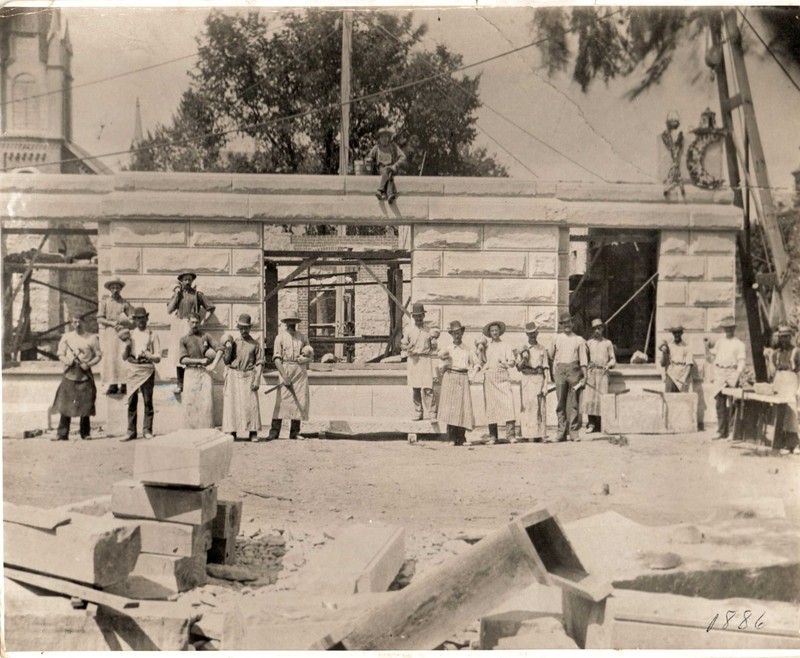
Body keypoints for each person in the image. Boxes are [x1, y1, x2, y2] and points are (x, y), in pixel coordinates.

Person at [51, 316, 102, 441]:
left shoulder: (92, 338)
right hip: (69, 373)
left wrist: (88, 364)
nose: (77, 324)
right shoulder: (67, 337)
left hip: (85, 373)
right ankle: (62, 433)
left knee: (86, 403)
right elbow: (60, 354)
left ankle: (85, 433)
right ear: (72, 323)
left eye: (79, 321)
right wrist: (67, 361)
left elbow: (99, 355)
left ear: (84, 322)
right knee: (65, 403)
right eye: (74, 322)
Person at [167, 272, 215, 394]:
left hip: (193, 325)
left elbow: (210, 308)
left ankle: (193, 383)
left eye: (189, 279)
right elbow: (169, 310)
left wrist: (204, 321)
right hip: (180, 324)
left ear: (192, 281)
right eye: (185, 280)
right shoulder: (178, 294)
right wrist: (177, 293)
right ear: (181, 281)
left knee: (193, 351)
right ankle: (180, 384)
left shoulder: (197, 294)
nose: (187, 282)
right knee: (179, 353)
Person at [268, 314, 312, 440]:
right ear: (285, 322)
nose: (291, 323)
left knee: (299, 401)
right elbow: (277, 359)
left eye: (293, 321)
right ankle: (274, 431)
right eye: (289, 321)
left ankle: (295, 432)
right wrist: (284, 376)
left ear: (296, 322)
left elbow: (310, 354)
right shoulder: (280, 337)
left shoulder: (302, 337)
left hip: (299, 371)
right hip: (285, 369)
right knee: (281, 401)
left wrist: (304, 358)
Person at [120, 307, 161, 442]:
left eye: (143, 318)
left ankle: (147, 430)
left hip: (147, 370)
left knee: (147, 401)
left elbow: (158, 357)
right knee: (132, 401)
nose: (140, 321)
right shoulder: (130, 334)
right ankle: (131, 431)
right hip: (132, 369)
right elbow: (124, 357)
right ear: (135, 320)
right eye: (138, 318)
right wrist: (127, 346)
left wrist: (151, 356)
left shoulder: (152, 335)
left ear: (147, 318)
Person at [222, 314, 264, 442]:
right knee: (232, 404)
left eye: (246, 328)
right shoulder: (233, 343)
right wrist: (228, 350)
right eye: (241, 328)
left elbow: (260, 362)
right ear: (238, 328)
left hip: (248, 375)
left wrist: (257, 379)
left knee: (251, 405)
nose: (243, 331)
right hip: (234, 374)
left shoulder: (255, 344)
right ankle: (233, 431)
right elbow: (226, 361)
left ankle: (253, 432)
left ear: (250, 328)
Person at [704, 316, 746, 440]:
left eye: (730, 328)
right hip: (720, 374)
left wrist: (737, 375)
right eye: (726, 328)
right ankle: (721, 431)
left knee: (733, 403)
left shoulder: (739, 344)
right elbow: (711, 358)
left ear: (734, 328)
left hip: (732, 373)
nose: (728, 330)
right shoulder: (720, 342)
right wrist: (706, 347)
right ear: (724, 329)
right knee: (720, 404)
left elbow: (741, 362)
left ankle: (733, 431)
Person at [437, 321, 478, 446]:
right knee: (451, 409)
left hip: (463, 377)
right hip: (450, 377)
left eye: (458, 333)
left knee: (463, 408)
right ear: (451, 334)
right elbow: (440, 369)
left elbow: (477, 364)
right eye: (454, 333)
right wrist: (444, 364)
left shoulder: (467, 349)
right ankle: (451, 438)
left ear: (462, 333)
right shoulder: (447, 350)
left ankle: (462, 438)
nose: (457, 335)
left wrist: (472, 376)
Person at [179, 313, 223, 429]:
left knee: (207, 403)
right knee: (190, 403)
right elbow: (183, 359)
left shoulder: (206, 336)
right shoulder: (184, 339)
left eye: (197, 322)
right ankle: (189, 432)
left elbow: (220, 349)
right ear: (188, 322)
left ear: (200, 322)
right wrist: (200, 360)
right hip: (190, 372)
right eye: (192, 322)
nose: (195, 325)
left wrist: (213, 364)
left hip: (205, 373)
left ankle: (206, 431)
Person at [548, 313, 588, 442]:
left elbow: (583, 360)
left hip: (574, 371)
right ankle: (561, 432)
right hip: (560, 371)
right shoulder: (556, 338)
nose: (567, 325)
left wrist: (585, 376)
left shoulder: (579, 340)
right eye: (564, 323)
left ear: (573, 324)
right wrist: (552, 374)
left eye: (569, 323)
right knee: (561, 403)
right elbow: (550, 357)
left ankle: (574, 432)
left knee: (574, 403)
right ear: (561, 325)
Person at [478, 320, 516, 444]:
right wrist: (481, 351)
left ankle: (510, 435)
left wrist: (505, 363)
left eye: (496, 330)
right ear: (489, 333)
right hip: (490, 379)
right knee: (491, 408)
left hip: (503, 378)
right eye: (492, 330)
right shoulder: (486, 346)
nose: (494, 332)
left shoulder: (506, 345)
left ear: (500, 331)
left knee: (508, 405)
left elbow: (512, 362)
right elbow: (483, 362)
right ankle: (493, 436)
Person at [400, 303, 436, 421]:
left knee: (428, 388)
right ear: (413, 317)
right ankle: (418, 412)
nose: (419, 318)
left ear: (423, 316)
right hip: (413, 360)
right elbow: (402, 345)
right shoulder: (409, 330)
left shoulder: (429, 330)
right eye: (416, 316)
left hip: (425, 359)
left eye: (420, 316)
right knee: (415, 388)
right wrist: (407, 347)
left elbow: (434, 347)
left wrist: (434, 343)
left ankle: (432, 413)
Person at [516, 322, 551, 442]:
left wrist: (546, 385)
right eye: (529, 333)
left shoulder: (542, 348)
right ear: (526, 334)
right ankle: (526, 435)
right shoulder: (522, 348)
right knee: (527, 406)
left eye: (534, 333)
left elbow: (546, 367)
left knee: (539, 407)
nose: (532, 335)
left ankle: (540, 435)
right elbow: (518, 368)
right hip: (526, 379)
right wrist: (524, 359)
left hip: (539, 379)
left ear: (537, 333)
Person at [96, 278, 133, 395]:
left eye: (117, 288)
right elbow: (99, 318)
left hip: (122, 332)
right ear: (110, 289)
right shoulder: (105, 302)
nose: (115, 290)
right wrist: (112, 323)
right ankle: (112, 384)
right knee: (111, 358)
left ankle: (123, 384)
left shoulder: (124, 303)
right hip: (110, 332)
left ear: (121, 289)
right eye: (113, 288)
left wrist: (124, 323)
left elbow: (132, 318)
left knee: (122, 357)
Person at [584, 318, 617, 434]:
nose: (597, 331)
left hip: (603, 373)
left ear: (602, 329)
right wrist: (587, 364)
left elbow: (613, 359)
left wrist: (609, 365)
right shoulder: (588, 343)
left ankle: (603, 424)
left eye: (599, 328)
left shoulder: (607, 343)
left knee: (603, 398)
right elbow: (584, 358)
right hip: (592, 373)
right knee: (590, 399)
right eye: (595, 329)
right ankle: (591, 423)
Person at [770, 324, 799, 451]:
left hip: (791, 386)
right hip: (780, 385)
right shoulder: (776, 354)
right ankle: (779, 443)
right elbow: (772, 373)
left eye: (786, 337)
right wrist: (770, 359)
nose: (784, 340)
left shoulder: (796, 352)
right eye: (781, 337)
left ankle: (793, 444)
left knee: (792, 416)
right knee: (780, 414)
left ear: (791, 337)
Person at [366, 127, 406, 204]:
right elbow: (369, 157)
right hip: (381, 168)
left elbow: (403, 157)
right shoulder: (377, 148)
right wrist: (369, 160)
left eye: (386, 136)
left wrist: (395, 165)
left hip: (391, 167)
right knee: (389, 175)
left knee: (389, 171)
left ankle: (380, 190)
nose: (385, 139)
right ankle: (390, 194)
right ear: (379, 138)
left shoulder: (393, 146)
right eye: (383, 137)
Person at [659, 325, 693, 392]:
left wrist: (684, 378)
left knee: (680, 399)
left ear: (681, 333)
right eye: (675, 333)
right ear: (673, 334)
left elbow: (689, 364)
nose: (677, 335)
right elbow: (663, 363)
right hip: (671, 373)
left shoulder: (686, 347)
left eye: (678, 332)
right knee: (668, 396)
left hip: (682, 374)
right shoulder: (669, 346)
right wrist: (664, 351)